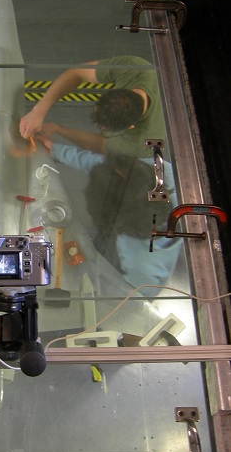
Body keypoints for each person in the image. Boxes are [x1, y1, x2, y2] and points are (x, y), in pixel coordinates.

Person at [37, 133, 182, 296]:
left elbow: (128, 303)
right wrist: (56, 149)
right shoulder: (159, 172)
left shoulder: (141, 265)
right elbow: (107, 169)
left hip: (130, 280)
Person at [19, 55, 166, 158]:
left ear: (130, 127)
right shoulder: (136, 69)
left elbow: (101, 145)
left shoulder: (139, 144)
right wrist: (38, 111)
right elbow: (77, 73)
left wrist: (60, 130)